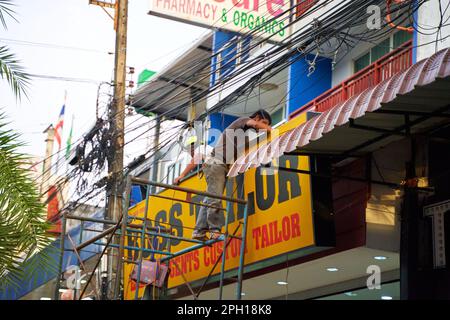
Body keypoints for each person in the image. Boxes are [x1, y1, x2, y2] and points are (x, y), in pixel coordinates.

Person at [192, 110, 272, 241]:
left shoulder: (243, 136)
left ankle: (199, 231)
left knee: (209, 198)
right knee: (215, 198)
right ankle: (214, 230)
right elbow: (256, 125)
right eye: (264, 122)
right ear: (257, 118)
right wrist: (270, 129)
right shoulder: (243, 120)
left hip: (218, 165)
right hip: (216, 163)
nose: (264, 126)